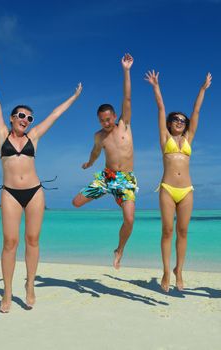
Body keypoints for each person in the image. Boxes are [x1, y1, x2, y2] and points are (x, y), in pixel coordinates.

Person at [0, 54, 82, 313]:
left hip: (35, 192)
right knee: (10, 243)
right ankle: (6, 292)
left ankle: (30, 286)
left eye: (29, 118)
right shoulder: (1, 134)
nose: (26, 120)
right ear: (12, 118)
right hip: (10, 194)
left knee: (33, 239)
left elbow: (56, 114)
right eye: (21, 116)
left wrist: (73, 97)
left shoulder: (33, 137)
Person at [145, 70, 212, 292]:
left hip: (187, 190)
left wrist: (202, 89)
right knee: (167, 230)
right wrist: (156, 86)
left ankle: (179, 270)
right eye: (176, 119)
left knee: (183, 231)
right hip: (167, 188)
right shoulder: (165, 138)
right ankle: (165, 271)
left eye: (183, 121)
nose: (180, 122)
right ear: (169, 123)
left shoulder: (188, 139)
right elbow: (161, 108)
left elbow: (197, 110)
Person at [72, 54, 136, 270]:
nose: (106, 122)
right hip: (107, 177)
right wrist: (89, 163)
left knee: (129, 220)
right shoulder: (99, 135)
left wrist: (126, 70)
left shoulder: (124, 125)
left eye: (108, 118)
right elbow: (96, 152)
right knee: (76, 202)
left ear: (115, 115)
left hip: (125, 180)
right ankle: (106, 193)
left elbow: (127, 98)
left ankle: (119, 249)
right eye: (102, 120)